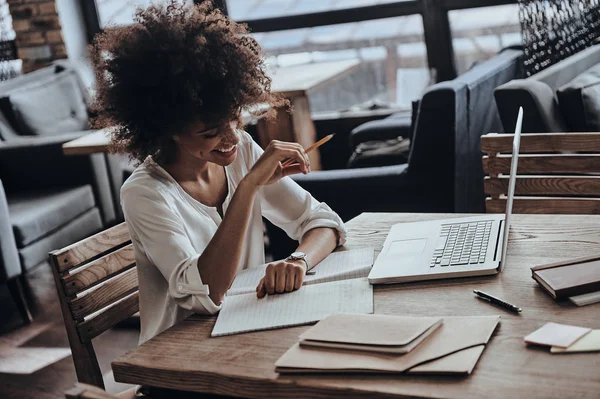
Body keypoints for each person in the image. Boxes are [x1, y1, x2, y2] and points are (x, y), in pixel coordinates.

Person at [90, 1, 346, 344]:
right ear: (167, 129)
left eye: (234, 118)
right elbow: (207, 294)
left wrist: (298, 260)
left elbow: (323, 222)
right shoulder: (144, 192)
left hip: (246, 332)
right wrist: (250, 186)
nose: (230, 138)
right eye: (210, 132)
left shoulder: (239, 148)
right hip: (179, 356)